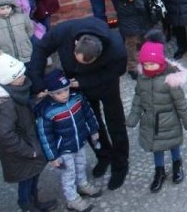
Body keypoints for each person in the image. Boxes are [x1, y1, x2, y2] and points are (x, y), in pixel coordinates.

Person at [27, 16, 129, 190]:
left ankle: (120, 164)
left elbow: (117, 71)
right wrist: (37, 81)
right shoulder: (64, 31)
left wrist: (85, 82)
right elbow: (41, 50)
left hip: (105, 83)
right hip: (77, 85)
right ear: (75, 45)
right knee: (91, 124)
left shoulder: (116, 48)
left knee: (115, 123)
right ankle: (103, 155)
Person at [0, 50, 54, 212]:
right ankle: (26, 205)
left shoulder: (17, 91)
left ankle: (35, 201)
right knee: (26, 180)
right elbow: (5, 134)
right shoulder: (6, 104)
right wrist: (29, 151)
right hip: (23, 151)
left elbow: (24, 111)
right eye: (19, 75)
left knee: (34, 175)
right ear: (10, 80)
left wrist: (36, 101)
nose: (24, 77)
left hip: (29, 143)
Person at [126, 30, 187, 194]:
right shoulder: (142, 79)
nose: (148, 67)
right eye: (146, 64)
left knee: (173, 146)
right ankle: (159, 171)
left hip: (169, 122)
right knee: (156, 148)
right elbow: (138, 99)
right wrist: (133, 117)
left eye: (152, 64)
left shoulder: (170, 80)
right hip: (151, 123)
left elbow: (181, 103)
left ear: (160, 62)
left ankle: (177, 165)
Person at [34, 69, 103, 212]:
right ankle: (72, 199)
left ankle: (82, 184)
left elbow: (88, 114)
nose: (64, 94)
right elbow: (45, 136)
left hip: (79, 143)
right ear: (51, 93)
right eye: (59, 93)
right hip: (63, 149)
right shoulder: (47, 111)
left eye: (66, 90)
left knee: (82, 164)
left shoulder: (76, 98)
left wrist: (93, 129)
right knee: (68, 173)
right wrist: (52, 156)